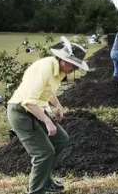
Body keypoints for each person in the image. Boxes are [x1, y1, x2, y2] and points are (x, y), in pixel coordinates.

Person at [7, 36, 89, 194]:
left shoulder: (60, 70)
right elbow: (28, 101)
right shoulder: (45, 67)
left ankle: (45, 180)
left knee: (61, 139)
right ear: (63, 59)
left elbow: (47, 91)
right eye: (74, 65)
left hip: (34, 108)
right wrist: (47, 121)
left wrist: (57, 105)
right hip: (21, 112)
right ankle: (36, 190)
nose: (75, 69)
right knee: (43, 153)